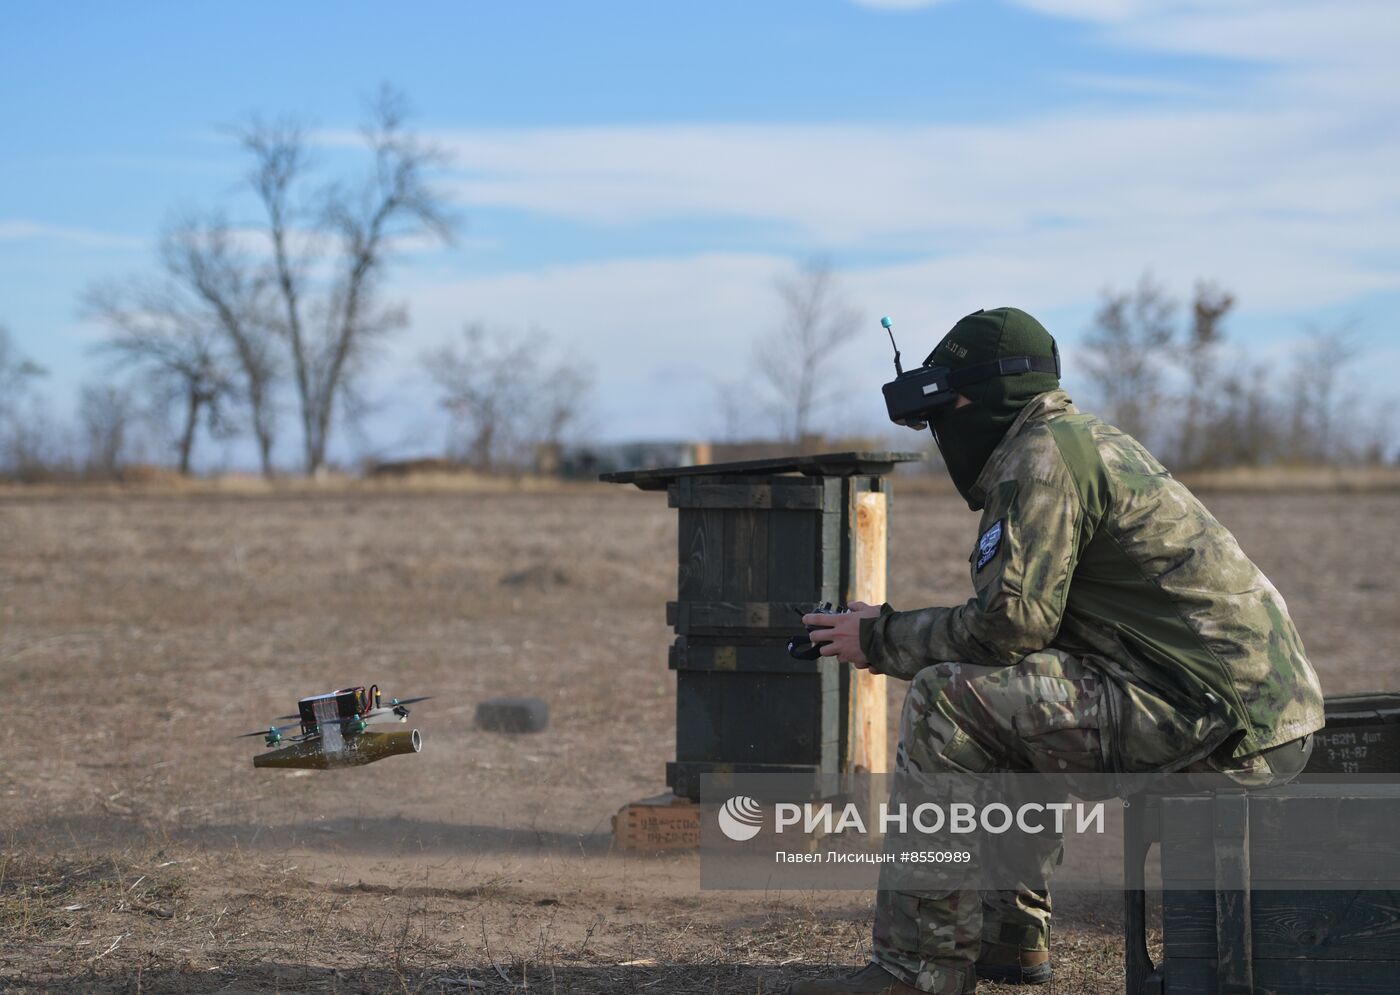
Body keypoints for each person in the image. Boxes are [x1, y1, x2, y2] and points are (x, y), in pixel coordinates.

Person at [787, 307, 1324, 995]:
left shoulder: (1041, 459)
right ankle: (1010, 938)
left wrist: (881, 636)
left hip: (1219, 725)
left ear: (984, 397)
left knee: (948, 698)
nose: (942, 434)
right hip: (1242, 714)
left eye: (944, 411)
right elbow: (1028, 634)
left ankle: (915, 969)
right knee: (1002, 694)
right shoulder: (1078, 442)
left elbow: (1008, 626)